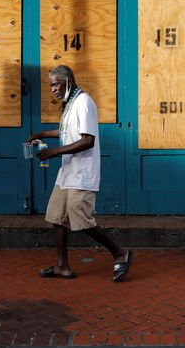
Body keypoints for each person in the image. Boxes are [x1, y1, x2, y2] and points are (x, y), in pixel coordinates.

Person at [26, 64, 133, 281]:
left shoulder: (84, 102)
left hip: (82, 173)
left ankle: (120, 253)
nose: (53, 89)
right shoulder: (70, 103)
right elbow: (67, 131)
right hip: (67, 172)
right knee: (57, 217)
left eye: (56, 84)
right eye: (50, 85)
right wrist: (43, 133)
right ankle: (62, 267)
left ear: (69, 81)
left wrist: (54, 152)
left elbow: (88, 140)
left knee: (81, 220)